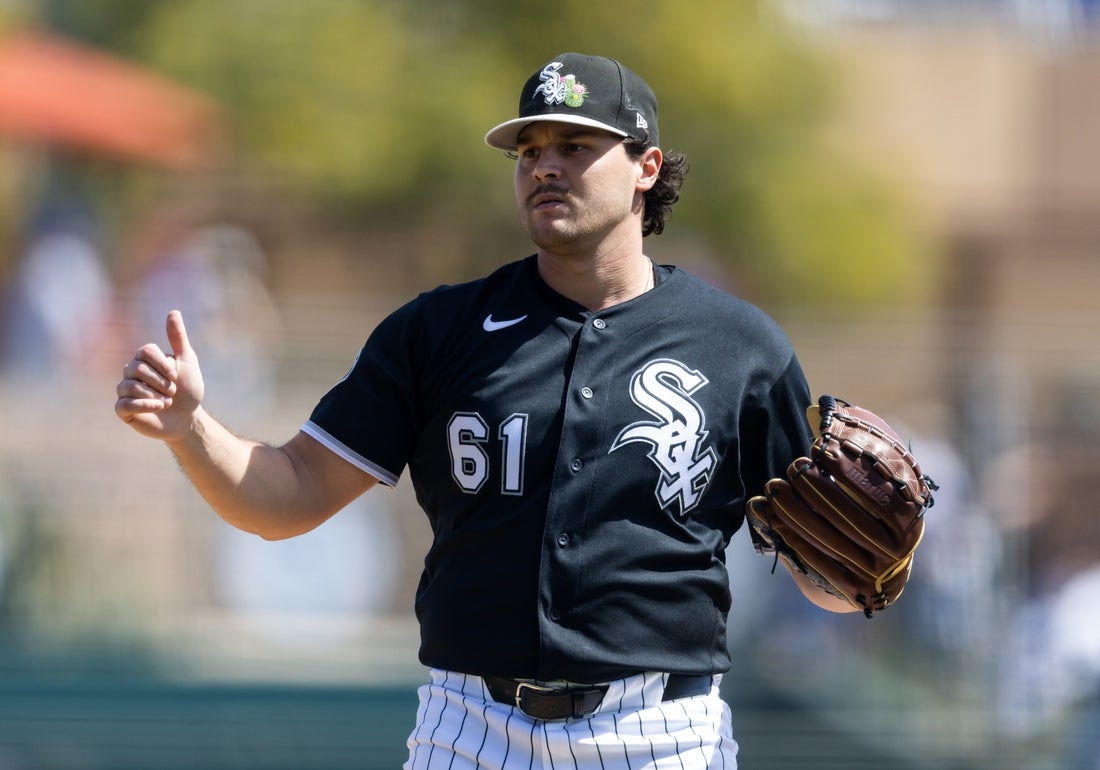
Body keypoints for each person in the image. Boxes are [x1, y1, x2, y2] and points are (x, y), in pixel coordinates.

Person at [115, 52, 855, 768]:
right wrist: (190, 429)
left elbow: (831, 575)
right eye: (528, 151)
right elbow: (289, 495)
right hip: (471, 728)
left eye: (573, 145)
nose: (544, 167)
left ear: (646, 167)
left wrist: (877, 564)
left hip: (661, 733)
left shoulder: (737, 345)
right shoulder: (440, 331)